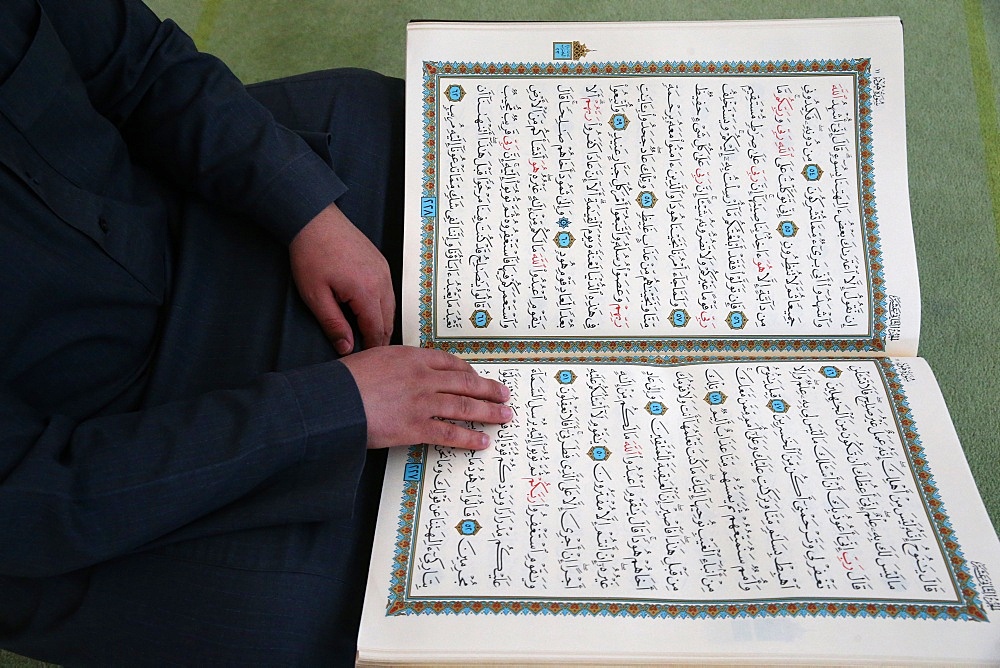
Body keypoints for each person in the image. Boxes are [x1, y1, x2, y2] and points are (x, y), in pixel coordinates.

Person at [0, 0, 512, 665]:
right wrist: (334, 408)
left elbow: (141, 67)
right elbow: (40, 500)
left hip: (187, 217)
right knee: (344, 614)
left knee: (388, 124)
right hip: (117, 445)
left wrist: (305, 211)